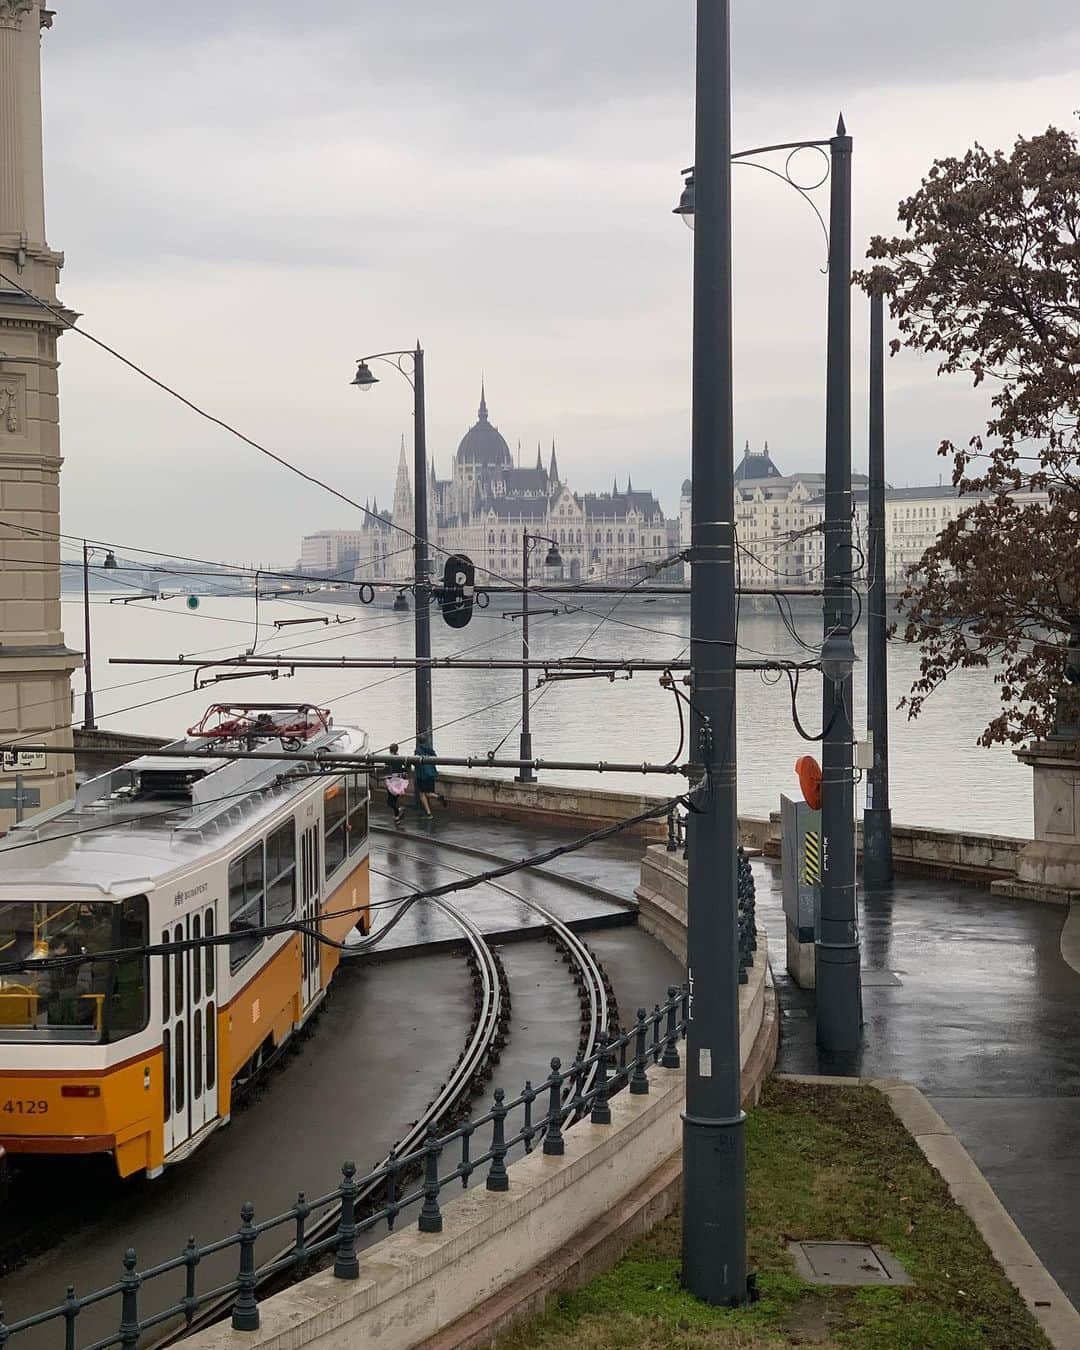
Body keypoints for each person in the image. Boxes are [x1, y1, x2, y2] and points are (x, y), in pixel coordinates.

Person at [40, 935, 93, 1028]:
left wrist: (59, 994)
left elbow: (83, 987)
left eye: (62, 948)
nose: (58, 951)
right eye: (55, 948)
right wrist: (49, 993)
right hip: (55, 1015)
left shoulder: (82, 965)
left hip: (79, 1015)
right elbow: (41, 984)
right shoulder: (50, 964)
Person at [415, 738, 446, 819]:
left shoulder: (417, 750)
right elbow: (435, 758)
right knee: (428, 791)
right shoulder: (430, 749)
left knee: (422, 793)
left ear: (418, 742)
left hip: (422, 775)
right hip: (431, 773)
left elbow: (416, 762)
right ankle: (437, 797)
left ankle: (429, 813)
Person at [382, 743, 409, 825]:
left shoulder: (388, 759)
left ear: (390, 750)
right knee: (394, 800)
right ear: (397, 750)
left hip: (392, 781)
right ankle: (397, 818)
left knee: (390, 802)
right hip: (400, 782)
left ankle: (400, 810)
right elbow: (405, 768)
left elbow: (386, 769)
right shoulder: (401, 758)